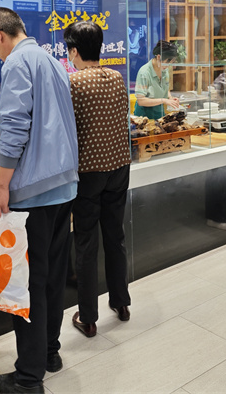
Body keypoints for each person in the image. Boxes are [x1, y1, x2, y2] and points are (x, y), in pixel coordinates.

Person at [0, 7, 78, 394]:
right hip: (63, 186)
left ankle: (28, 377)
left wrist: (0, 186)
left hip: (33, 191)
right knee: (53, 278)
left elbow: (14, 127)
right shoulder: (51, 60)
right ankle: (50, 352)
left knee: (28, 285)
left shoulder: (17, 62)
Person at [62, 21, 132, 338]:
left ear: (74, 51)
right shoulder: (116, 78)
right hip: (119, 167)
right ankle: (121, 303)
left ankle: (88, 318)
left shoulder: (73, 83)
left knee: (86, 244)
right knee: (115, 237)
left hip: (88, 172)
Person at [133, 40, 180, 119]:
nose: (168, 66)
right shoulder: (144, 72)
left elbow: (165, 88)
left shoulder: (164, 70)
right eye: (167, 62)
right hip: (143, 115)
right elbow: (141, 101)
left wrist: (170, 98)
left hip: (158, 113)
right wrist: (164, 100)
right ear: (158, 57)